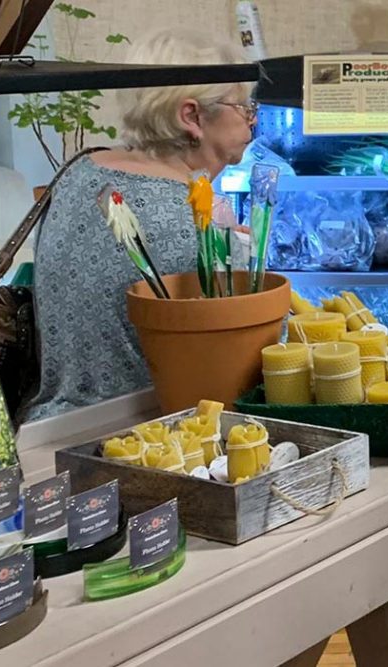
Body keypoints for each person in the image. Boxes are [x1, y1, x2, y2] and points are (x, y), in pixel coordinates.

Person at [27, 29, 256, 420]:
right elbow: (246, 363)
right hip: (149, 439)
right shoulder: (202, 224)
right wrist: (241, 258)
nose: (252, 119)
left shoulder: (79, 172)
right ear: (192, 116)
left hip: (46, 430)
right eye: (244, 106)